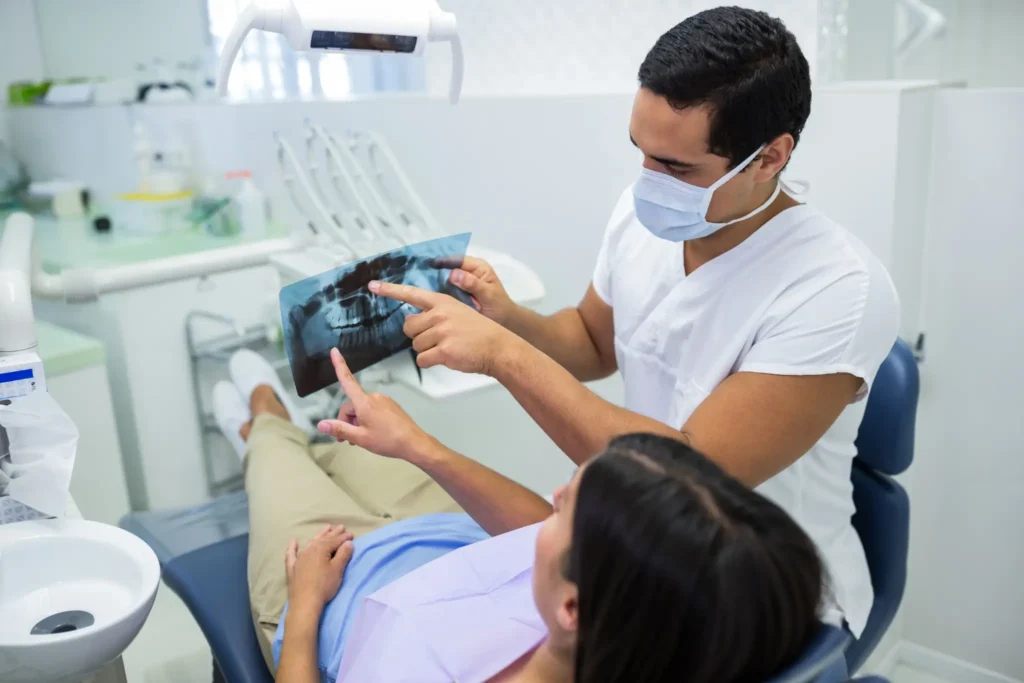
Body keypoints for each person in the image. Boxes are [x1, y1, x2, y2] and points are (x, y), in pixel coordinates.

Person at [366, 5, 900, 649]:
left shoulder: (837, 287)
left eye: (677, 168)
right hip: (641, 551)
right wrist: (511, 320)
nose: (649, 181)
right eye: (641, 153)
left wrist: (505, 355)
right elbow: (594, 343)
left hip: (763, 591)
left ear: (771, 157)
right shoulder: (645, 213)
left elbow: (685, 477)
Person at [212, 347, 826, 683]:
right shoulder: (641, 616)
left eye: (567, 506)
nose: (552, 497)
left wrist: (307, 606)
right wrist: (419, 447)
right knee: (348, 444)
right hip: (446, 537)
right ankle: (293, 435)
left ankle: (261, 417)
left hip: (328, 584)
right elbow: (533, 530)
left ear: (572, 609)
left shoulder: (413, 668)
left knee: (273, 449)